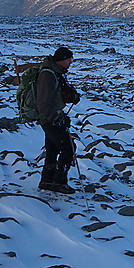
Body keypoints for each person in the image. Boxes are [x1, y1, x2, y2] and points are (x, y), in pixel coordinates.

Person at [36, 46, 81, 194]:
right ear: (61, 59)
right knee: (68, 147)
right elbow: (44, 102)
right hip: (49, 118)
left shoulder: (54, 72)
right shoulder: (47, 75)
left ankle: (46, 180)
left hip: (51, 117)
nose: (71, 62)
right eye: (69, 59)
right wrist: (55, 118)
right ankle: (59, 182)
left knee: (53, 148)